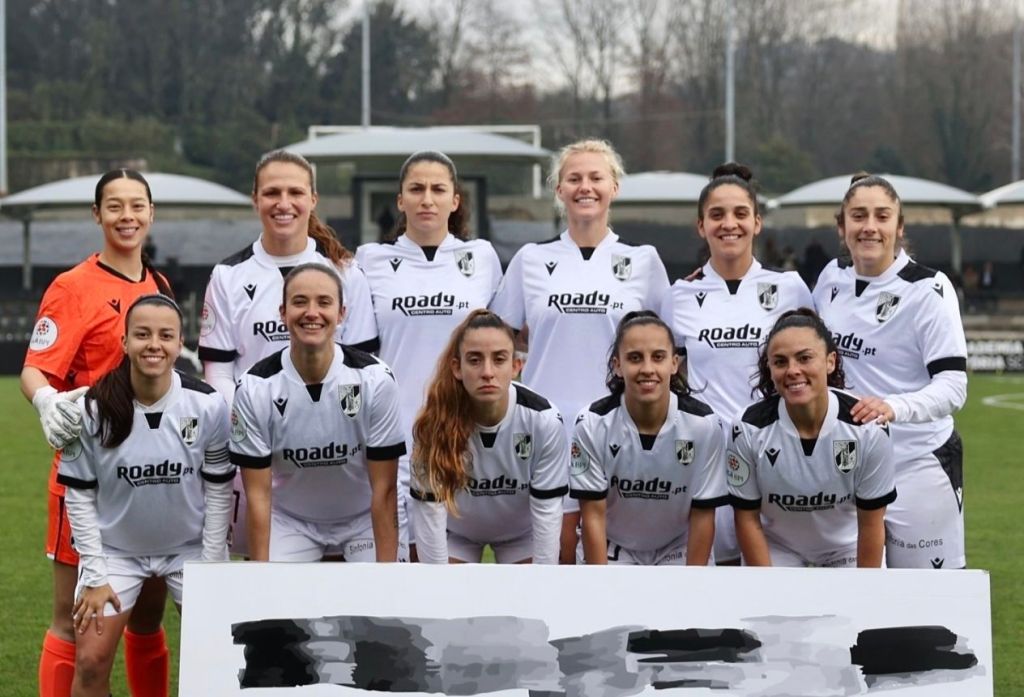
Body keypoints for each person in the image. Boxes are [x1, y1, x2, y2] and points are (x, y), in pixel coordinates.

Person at [20, 169, 176, 697]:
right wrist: (46, 401)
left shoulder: (158, 285)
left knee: (147, 620)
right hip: (86, 479)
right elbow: (34, 369)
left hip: (150, 478)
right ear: (97, 215)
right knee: (73, 623)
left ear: (151, 213)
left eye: (137, 205)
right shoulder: (72, 287)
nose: (126, 216)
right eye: (114, 206)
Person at [491, 139, 670, 563]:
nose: (584, 187)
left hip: (618, 432)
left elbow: (667, 346)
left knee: (608, 562)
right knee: (553, 560)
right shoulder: (531, 259)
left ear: (614, 187)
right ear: (559, 190)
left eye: (595, 178)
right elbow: (499, 339)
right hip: (544, 432)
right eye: (574, 178)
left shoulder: (643, 260)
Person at [199, 150, 378, 556]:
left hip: (334, 452)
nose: (284, 203)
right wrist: (254, 423)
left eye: (295, 192)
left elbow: (363, 370)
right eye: (272, 193)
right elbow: (218, 372)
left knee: (346, 581)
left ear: (313, 199)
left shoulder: (346, 271)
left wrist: (321, 426)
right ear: (255, 200)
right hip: (260, 449)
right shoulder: (228, 276)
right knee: (272, 577)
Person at [57, 295, 233, 697]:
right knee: (90, 663)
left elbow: (219, 489)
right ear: (124, 342)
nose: (154, 344)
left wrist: (212, 567)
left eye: (165, 335)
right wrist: (95, 575)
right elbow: (79, 496)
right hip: (116, 553)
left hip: (189, 551)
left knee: (223, 656)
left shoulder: (207, 404)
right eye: (143, 335)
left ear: (180, 343)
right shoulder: (93, 408)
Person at [660, 163, 812, 566]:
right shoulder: (679, 295)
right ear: (701, 226)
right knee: (711, 579)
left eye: (741, 213)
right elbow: (668, 379)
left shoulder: (790, 288)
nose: (729, 224)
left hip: (773, 458)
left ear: (757, 222)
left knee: (769, 580)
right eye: (717, 215)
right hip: (705, 460)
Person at [814, 174, 968, 569]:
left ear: (899, 227)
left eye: (882, 216)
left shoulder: (929, 289)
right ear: (841, 226)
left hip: (917, 463)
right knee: (856, 596)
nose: (869, 226)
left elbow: (954, 386)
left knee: (928, 597)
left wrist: (892, 407)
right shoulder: (831, 278)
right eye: (858, 216)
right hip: (847, 465)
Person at [356, 151, 503, 561]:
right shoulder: (371, 260)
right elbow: (359, 357)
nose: (427, 199)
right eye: (416, 189)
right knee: (404, 566)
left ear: (454, 200)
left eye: (438, 189)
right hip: (395, 435)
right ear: (400, 200)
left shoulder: (482, 258)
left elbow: (500, 348)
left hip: (465, 435)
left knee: (451, 563)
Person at [231, 264, 404, 562]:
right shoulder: (254, 386)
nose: (312, 313)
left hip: (363, 517)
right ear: (283, 313)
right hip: (291, 520)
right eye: (300, 302)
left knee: (377, 593)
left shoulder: (375, 379)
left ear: (342, 313)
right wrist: (262, 577)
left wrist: (385, 577)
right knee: (273, 593)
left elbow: (385, 489)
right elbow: (257, 495)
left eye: (324, 302)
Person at [727, 309, 896, 568]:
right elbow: (747, 519)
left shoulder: (869, 427)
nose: (793, 370)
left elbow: (871, 523)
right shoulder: (747, 427)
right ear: (770, 369)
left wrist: (864, 587)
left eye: (804, 358)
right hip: (777, 547)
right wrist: (766, 584)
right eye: (780, 362)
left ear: (830, 361)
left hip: (846, 547)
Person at [409, 310, 567, 564]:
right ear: (457, 367)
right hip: (455, 533)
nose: (487, 372)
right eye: (474, 360)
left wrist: (542, 582)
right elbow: (430, 515)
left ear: (516, 366)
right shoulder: (433, 423)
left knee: (532, 589)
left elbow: (548, 515)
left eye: (499, 359)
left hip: (522, 535)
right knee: (440, 587)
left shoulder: (543, 421)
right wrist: (437, 584)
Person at [570, 311, 726, 565]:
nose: (647, 369)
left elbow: (703, 516)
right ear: (617, 365)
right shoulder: (592, 424)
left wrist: (693, 583)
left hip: (677, 544)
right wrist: (600, 583)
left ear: (674, 363)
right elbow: (593, 516)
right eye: (634, 358)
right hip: (613, 544)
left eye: (658, 357)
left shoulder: (704, 426)